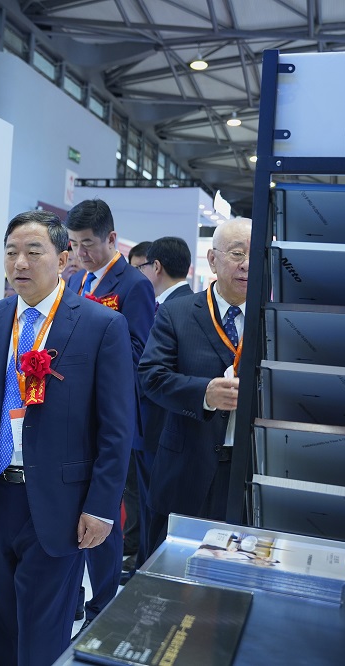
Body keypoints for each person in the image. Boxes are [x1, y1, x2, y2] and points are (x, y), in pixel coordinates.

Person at [0, 210, 133, 665]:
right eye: (11, 252)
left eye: (34, 252)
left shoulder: (100, 325)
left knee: (42, 639)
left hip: (58, 504)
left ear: (63, 259)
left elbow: (116, 428)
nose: (20, 263)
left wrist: (101, 506)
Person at [139, 219, 253, 552]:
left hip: (248, 474)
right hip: (185, 468)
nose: (247, 264)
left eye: (255, 255)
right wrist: (204, 394)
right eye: (237, 253)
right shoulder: (177, 313)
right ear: (213, 259)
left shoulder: (273, 319)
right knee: (170, 564)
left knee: (235, 569)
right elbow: (151, 376)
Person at [65, 198, 154, 628]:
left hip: (109, 416)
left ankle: (102, 606)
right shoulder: (76, 280)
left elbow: (140, 353)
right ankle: (73, 598)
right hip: (73, 416)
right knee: (72, 509)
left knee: (104, 511)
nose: (80, 252)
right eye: (74, 243)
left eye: (88, 243)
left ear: (112, 238)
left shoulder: (133, 285)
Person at [131, 236, 194, 565]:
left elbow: (155, 372)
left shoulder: (173, 309)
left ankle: (148, 570)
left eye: (142, 266)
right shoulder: (183, 305)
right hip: (155, 427)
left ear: (155, 266)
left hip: (159, 428)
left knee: (155, 509)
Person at [137, 236, 193, 302]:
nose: (142, 272)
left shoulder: (168, 306)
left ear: (156, 267)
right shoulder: (192, 301)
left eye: (143, 266)